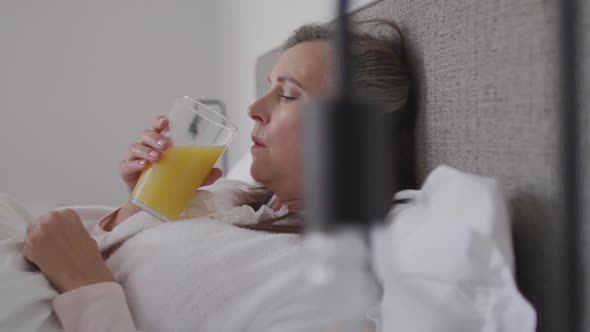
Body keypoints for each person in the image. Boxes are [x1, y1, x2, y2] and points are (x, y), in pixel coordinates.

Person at [21, 20, 412, 331]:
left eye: (288, 95)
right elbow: (113, 252)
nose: (254, 108)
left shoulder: (326, 281)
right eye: (266, 88)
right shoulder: (228, 196)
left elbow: (98, 274)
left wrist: (84, 288)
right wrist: (139, 204)